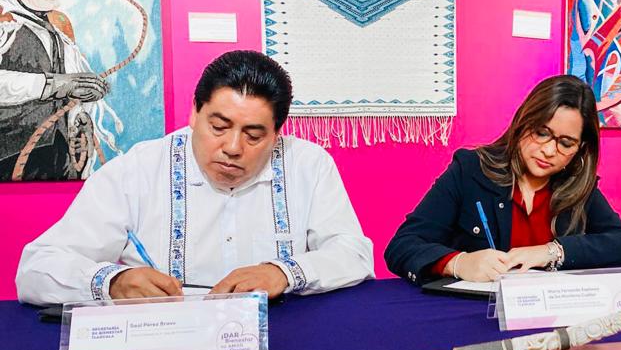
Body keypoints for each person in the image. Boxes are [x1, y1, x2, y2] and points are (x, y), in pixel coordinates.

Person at [17, 50, 373, 304]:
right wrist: (114, 282)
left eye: (253, 135)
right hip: (163, 346)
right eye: (218, 127)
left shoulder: (307, 165)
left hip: (283, 342)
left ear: (277, 134)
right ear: (194, 113)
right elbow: (36, 269)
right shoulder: (138, 170)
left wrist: (284, 273)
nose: (232, 147)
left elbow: (353, 253)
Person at [385, 75, 621, 285]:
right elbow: (402, 246)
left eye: (565, 143)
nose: (549, 151)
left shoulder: (576, 185)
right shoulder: (470, 170)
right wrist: (458, 263)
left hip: (555, 316)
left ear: (580, 149)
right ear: (522, 122)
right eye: (542, 133)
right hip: (476, 315)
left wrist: (551, 252)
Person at [0, 0, 111, 180]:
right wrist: (54, 85)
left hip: (59, 159)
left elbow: (70, 93)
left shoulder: (60, 33)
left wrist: (79, 115)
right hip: (10, 159)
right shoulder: (5, 26)